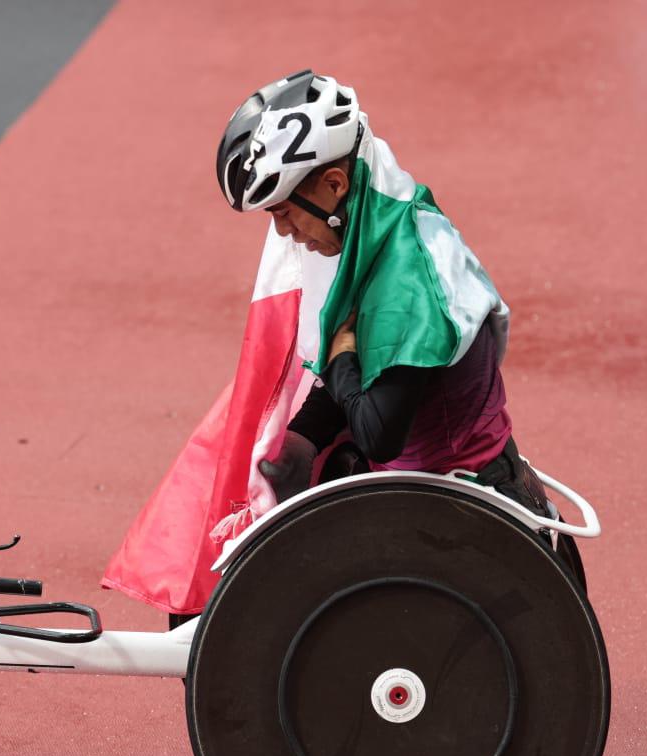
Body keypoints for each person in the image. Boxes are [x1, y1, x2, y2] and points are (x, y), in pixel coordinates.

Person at [216, 69, 552, 519]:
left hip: (456, 508)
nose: (284, 232)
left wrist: (338, 359)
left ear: (334, 185)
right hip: (426, 482)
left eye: (285, 212)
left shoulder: (407, 277)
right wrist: (300, 440)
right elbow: (359, 377)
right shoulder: (371, 225)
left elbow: (377, 433)